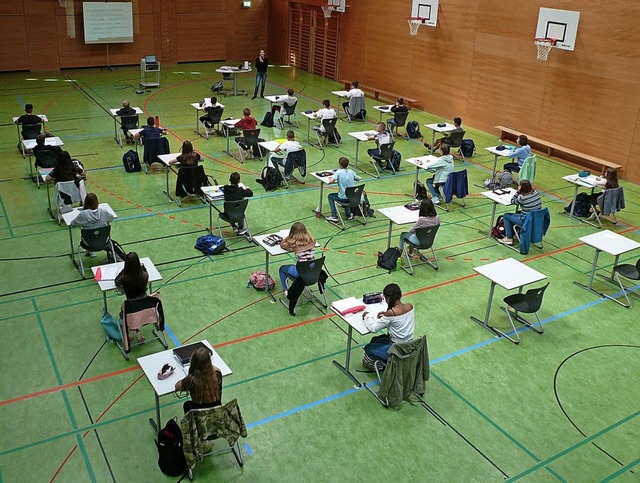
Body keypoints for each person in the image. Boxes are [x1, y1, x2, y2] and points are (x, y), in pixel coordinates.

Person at [362, 283, 415, 363]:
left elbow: (373, 328)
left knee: (368, 347)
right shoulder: (410, 306)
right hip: (409, 346)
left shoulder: (391, 313)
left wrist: (367, 316)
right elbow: (400, 319)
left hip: (396, 350)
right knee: (376, 340)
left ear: (388, 298)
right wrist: (385, 315)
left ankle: (383, 365)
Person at [175, 347, 223, 414]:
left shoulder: (191, 380)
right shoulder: (217, 375)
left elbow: (177, 386)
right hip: (216, 411)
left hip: (199, 415)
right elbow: (215, 369)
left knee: (187, 405)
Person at [499, 179, 543, 246]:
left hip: (526, 221)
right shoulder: (536, 193)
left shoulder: (522, 198)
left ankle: (509, 238)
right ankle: (517, 232)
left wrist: (518, 192)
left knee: (506, 216)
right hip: (536, 220)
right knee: (518, 212)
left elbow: (512, 201)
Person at [279, 222, 315, 295]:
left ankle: (286, 291)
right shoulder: (312, 240)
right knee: (298, 265)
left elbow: (282, 244)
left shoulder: (294, 243)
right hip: (313, 272)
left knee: (282, 269)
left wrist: (289, 236)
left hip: (300, 273)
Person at [326, 157, 361, 222]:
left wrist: (331, 178)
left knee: (330, 196)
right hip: (352, 197)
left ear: (340, 164)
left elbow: (331, 181)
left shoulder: (338, 172)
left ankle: (334, 215)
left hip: (343, 198)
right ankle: (348, 215)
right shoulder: (351, 171)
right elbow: (358, 178)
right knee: (347, 193)